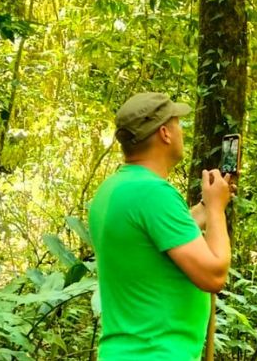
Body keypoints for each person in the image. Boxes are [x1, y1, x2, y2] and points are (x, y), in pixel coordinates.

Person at [88, 92, 232, 360]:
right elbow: (213, 276)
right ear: (165, 133)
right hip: (155, 352)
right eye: (178, 123)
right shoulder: (153, 193)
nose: (181, 131)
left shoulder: (112, 189)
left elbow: (161, 237)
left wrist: (207, 204)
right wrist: (215, 211)